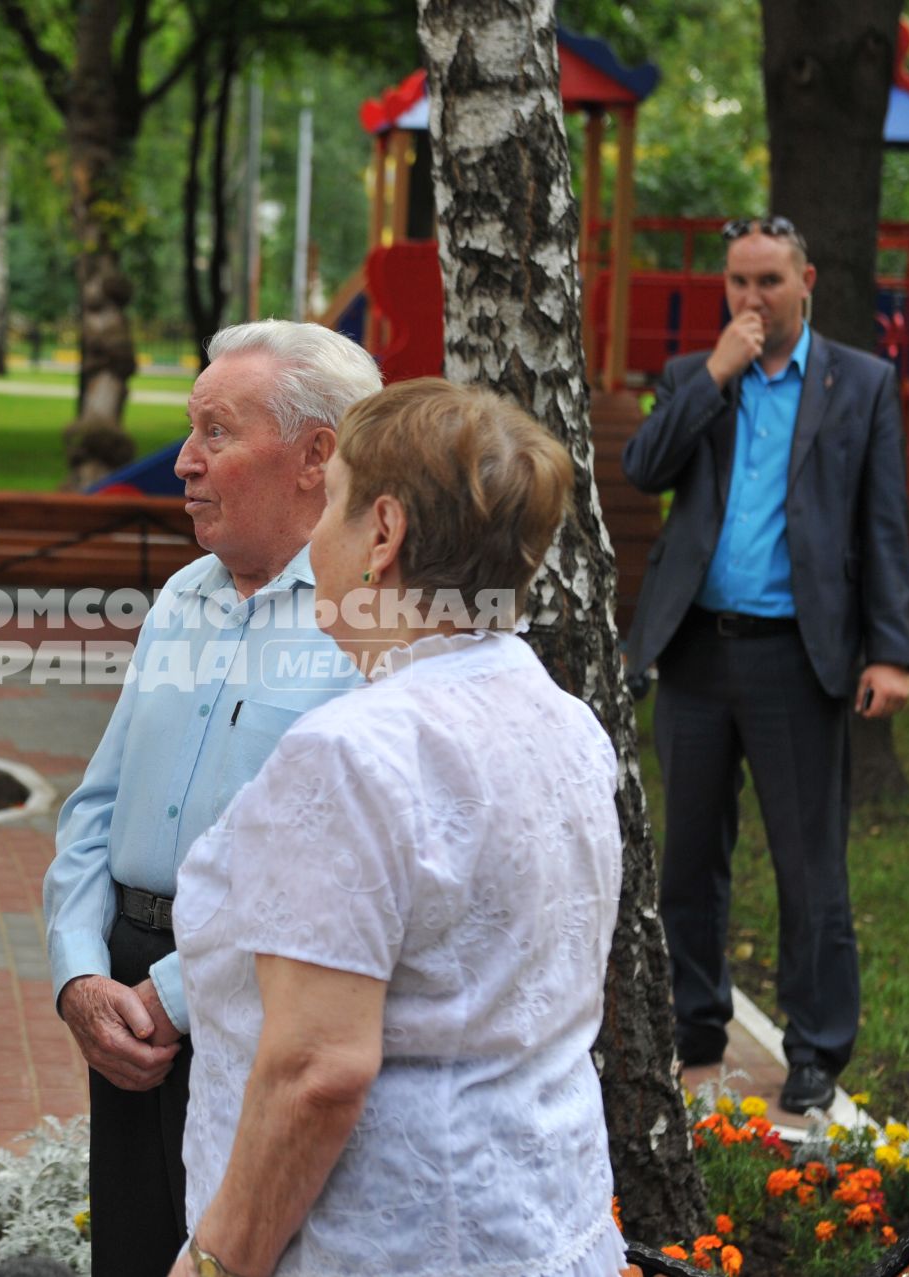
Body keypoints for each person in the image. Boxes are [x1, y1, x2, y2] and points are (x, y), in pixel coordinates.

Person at [169, 380, 625, 1277]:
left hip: (390, 1246)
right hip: (541, 1226)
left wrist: (217, 1262)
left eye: (331, 503)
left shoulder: (353, 752)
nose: (315, 536)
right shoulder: (564, 718)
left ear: (383, 534)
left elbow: (317, 1070)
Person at [44, 320, 383, 1277]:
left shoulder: (368, 625)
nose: (185, 463)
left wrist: (179, 995)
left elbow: (343, 871)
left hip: (261, 1006)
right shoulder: (183, 595)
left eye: (216, 433)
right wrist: (79, 973)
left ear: (316, 455)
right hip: (125, 1001)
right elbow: (94, 808)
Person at [621, 214, 909, 1114]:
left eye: (770, 282)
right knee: (688, 861)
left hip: (800, 656)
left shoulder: (858, 383)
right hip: (698, 652)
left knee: (809, 864)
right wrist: (713, 373)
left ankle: (818, 1046)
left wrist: (891, 651)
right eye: (739, 282)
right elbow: (643, 466)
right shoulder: (694, 377)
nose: (753, 299)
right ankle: (695, 1024)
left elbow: (884, 523)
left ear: (807, 280)